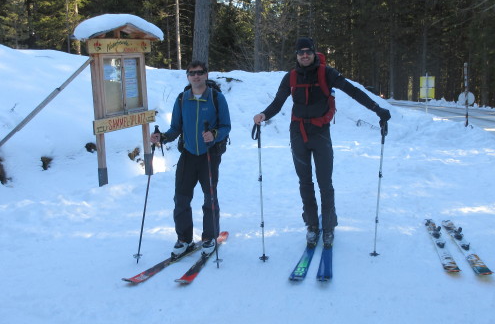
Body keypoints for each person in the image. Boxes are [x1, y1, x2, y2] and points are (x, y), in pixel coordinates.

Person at [253, 37, 390, 249]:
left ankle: (328, 227)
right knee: (305, 182)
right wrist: (263, 114)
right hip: (298, 133)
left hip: (320, 133)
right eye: (301, 52)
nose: (305, 55)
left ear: (314, 53)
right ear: (296, 55)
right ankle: (312, 226)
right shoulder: (290, 77)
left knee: (325, 182)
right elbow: (278, 102)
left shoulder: (327, 73)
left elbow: (353, 91)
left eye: (308, 52)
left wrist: (377, 109)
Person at [151, 61, 231, 258]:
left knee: (209, 197)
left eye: (200, 72)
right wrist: (163, 137)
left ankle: (209, 237)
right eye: (192, 73)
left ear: (206, 75)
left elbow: (226, 126)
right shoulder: (182, 99)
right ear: (187, 76)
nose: (196, 76)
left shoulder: (216, 97)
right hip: (188, 154)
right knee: (181, 198)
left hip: (210, 155)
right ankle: (184, 239)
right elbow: (175, 128)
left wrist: (214, 134)